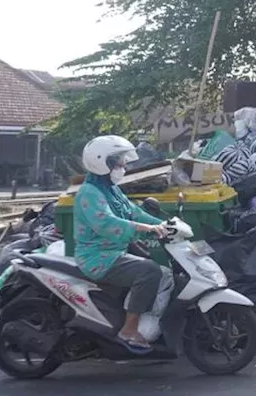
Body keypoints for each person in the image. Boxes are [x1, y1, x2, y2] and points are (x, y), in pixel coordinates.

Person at [75, 135, 168, 353]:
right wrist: (145, 229)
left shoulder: (110, 189)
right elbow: (106, 223)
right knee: (150, 272)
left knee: (152, 264)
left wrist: (165, 224)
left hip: (115, 252)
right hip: (98, 257)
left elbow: (133, 212)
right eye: (119, 161)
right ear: (102, 163)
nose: (124, 166)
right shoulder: (89, 193)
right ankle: (129, 329)